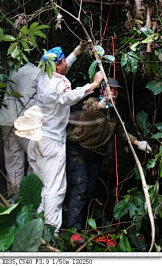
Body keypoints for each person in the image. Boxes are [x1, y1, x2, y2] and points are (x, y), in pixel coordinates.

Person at [27, 42, 104, 237]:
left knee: (45, 187)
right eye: (63, 63)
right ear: (58, 65)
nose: (65, 65)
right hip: (50, 143)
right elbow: (69, 97)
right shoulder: (55, 86)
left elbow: (63, 65)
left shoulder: (46, 75)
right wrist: (94, 85)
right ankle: (51, 234)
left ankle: (37, 228)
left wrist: (77, 50)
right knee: (56, 189)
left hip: (36, 140)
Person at [66, 78, 152, 244]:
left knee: (89, 191)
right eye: (109, 89)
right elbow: (88, 109)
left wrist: (139, 144)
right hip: (78, 151)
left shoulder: (115, 114)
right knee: (81, 186)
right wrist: (101, 104)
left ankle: (82, 229)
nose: (113, 92)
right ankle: (73, 232)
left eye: (116, 90)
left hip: (96, 156)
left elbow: (123, 133)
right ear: (102, 91)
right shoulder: (93, 102)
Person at [0, 62, 41, 199]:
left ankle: (13, 200)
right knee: (36, 158)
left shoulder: (14, 71)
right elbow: (30, 99)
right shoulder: (38, 73)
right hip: (24, 122)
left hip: (7, 120)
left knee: (13, 162)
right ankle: (31, 200)